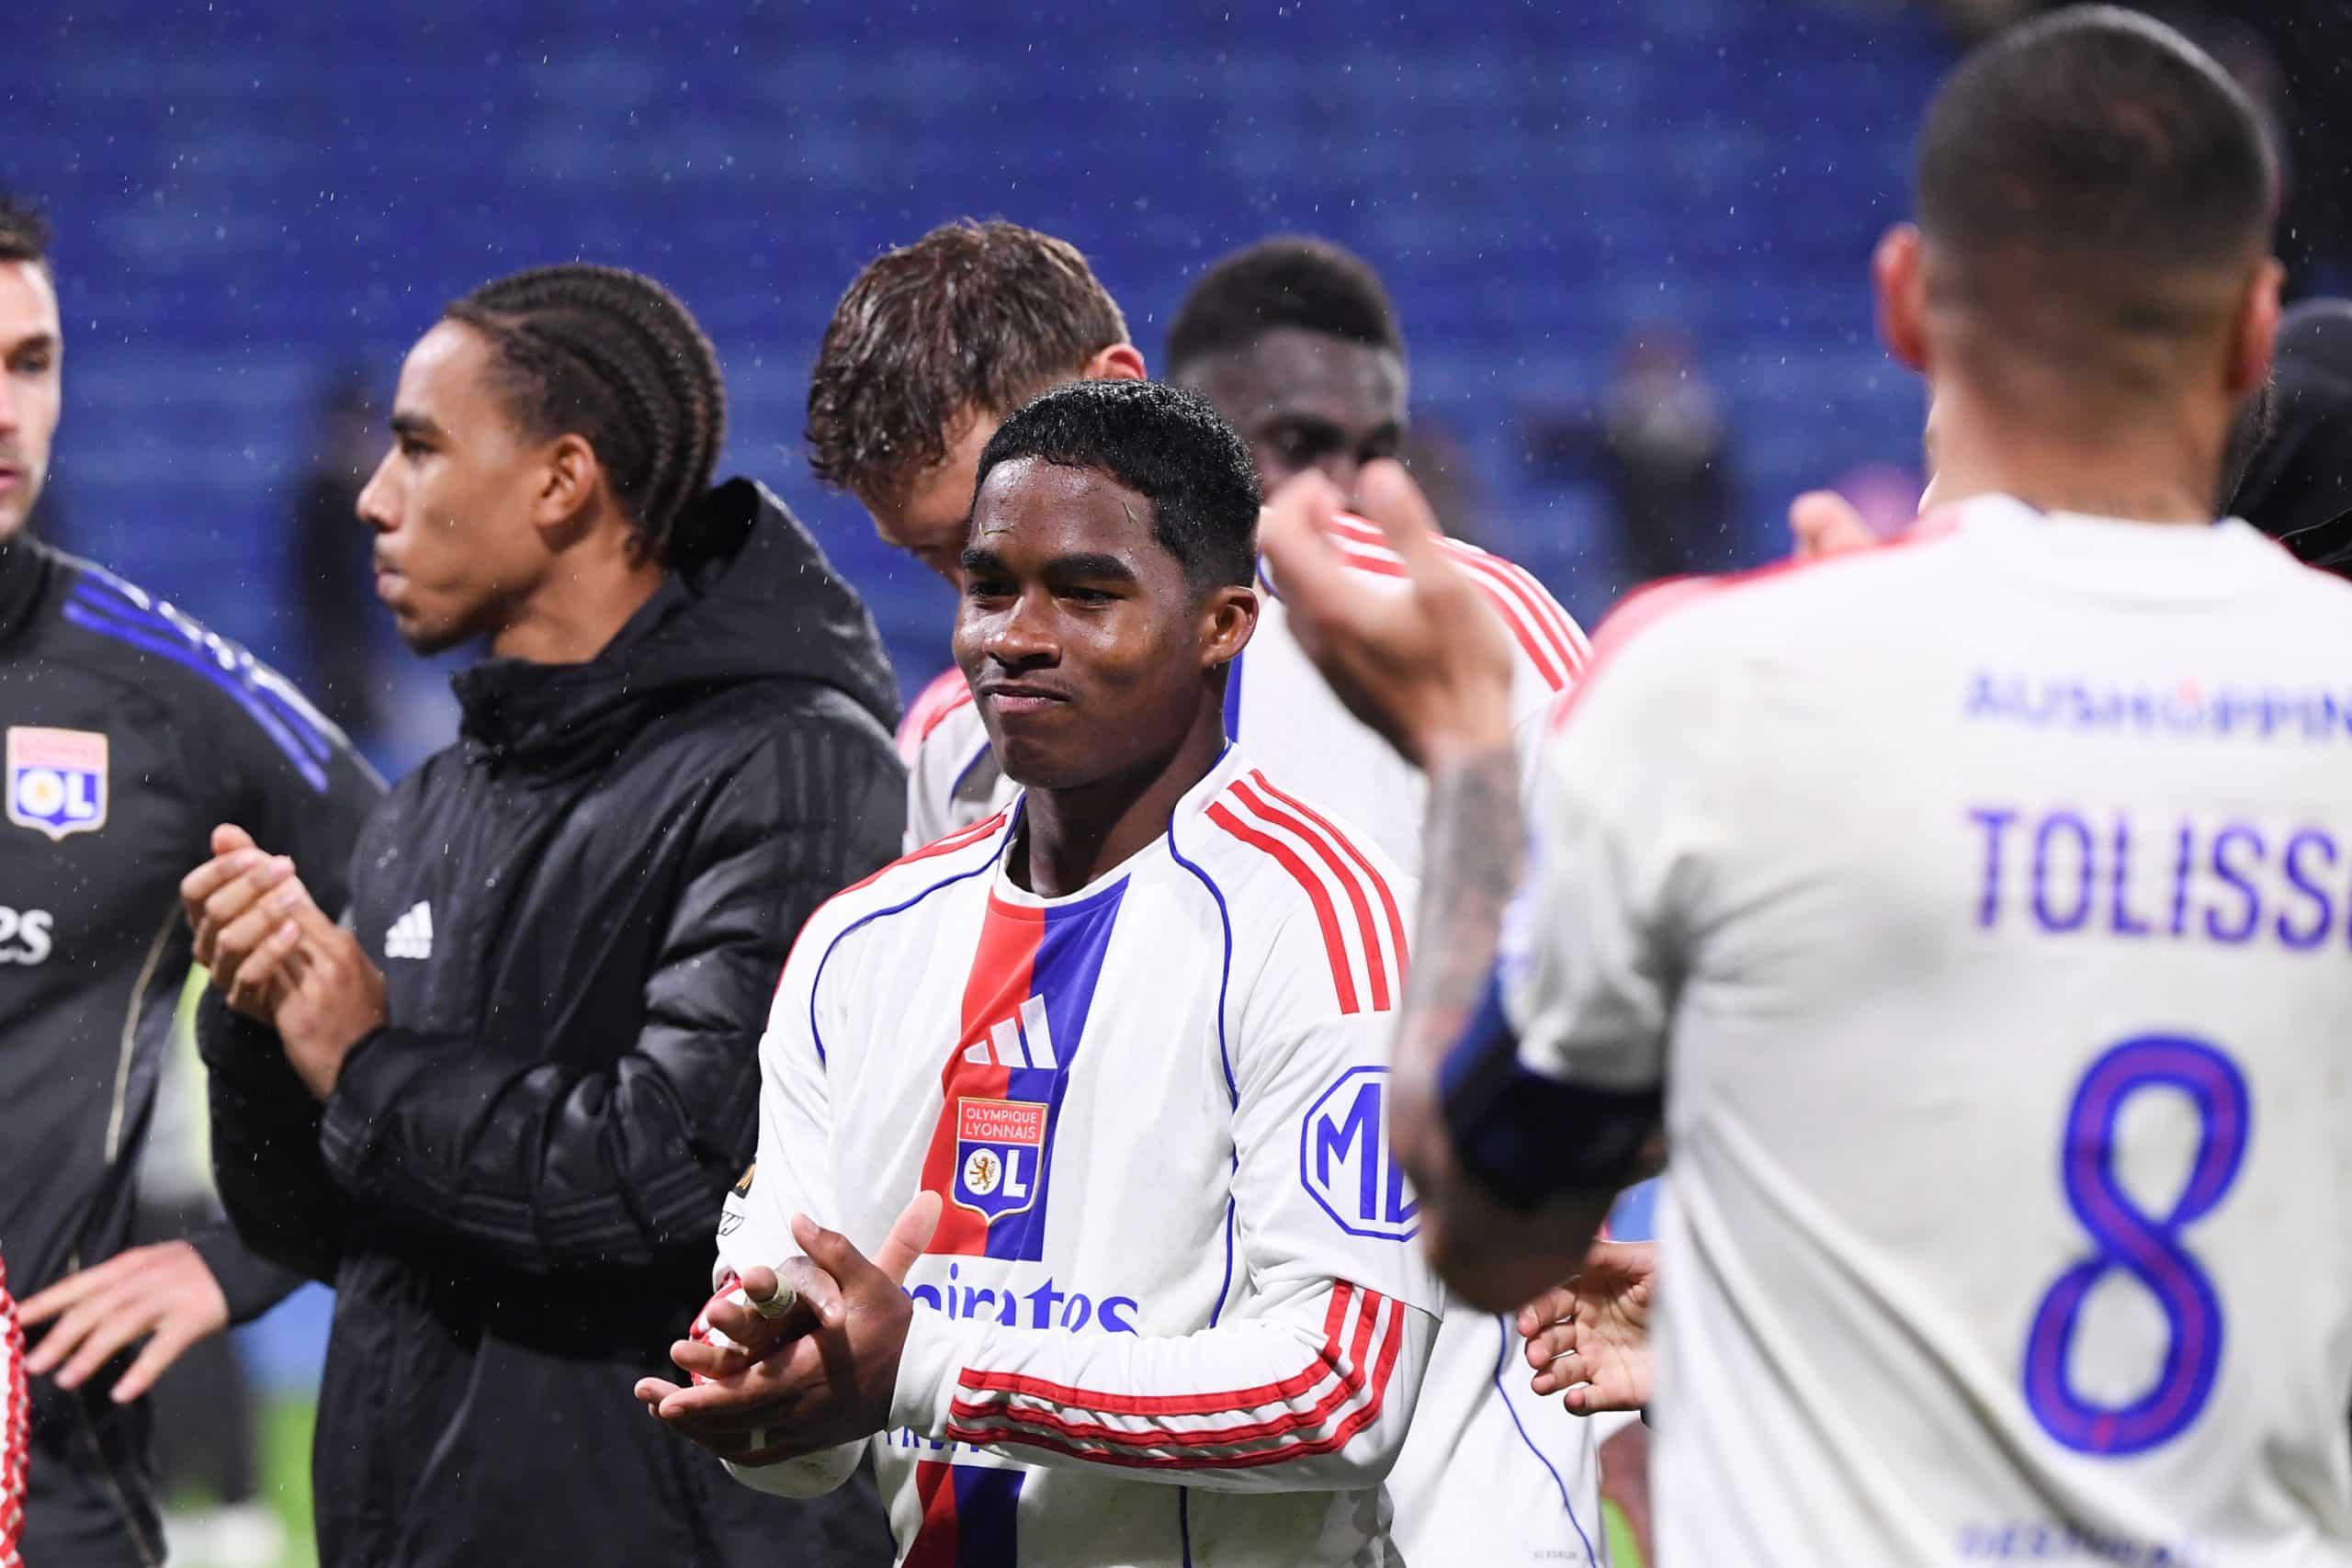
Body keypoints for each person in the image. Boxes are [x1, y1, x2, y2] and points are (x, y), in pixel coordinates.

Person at [1265, 8, 2352, 1562]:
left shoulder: (1717, 687)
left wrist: (1465, 760)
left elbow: (1487, 1219)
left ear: (1906, 299)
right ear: (2253, 326)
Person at [808, 221, 1608, 1563]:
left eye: (999, 536)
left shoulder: (1452, 634)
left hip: (1453, 1495)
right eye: (949, 570)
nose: (1001, 626)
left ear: (1125, 386)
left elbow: (1649, 1036)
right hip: (1118, 1491)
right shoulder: (953, 751)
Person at [639, 378, 1443, 1565]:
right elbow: (819, 1445)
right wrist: (769, 1387)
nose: (1014, 637)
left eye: (1086, 594)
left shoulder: (1328, 926)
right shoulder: (863, 947)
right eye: (990, 588)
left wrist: (928, 1368)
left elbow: (1341, 1392)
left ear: (1224, 624)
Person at [180, 263, 905, 1568]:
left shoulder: (797, 769)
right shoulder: (434, 804)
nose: (372, 500)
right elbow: (343, 1233)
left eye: (418, 450)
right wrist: (260, 1025)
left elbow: (674, 1180)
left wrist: (362, 1058)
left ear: (563, 482)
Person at [0, 191, 383, 1567]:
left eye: (31, 363)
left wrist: (249, 1256)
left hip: (53, 1514)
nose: (5, 412)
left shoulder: (172, 699)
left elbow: (467, 942)